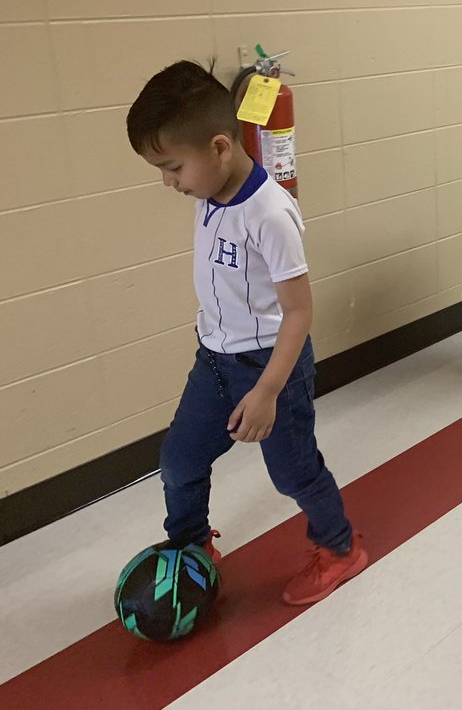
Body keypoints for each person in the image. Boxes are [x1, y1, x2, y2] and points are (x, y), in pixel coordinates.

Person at [126, 61, 366, 606]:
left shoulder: (272, 214)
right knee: (180, 462)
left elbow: (299, 313)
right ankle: (190, 550)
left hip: (269, 367)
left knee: (294, 472)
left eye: (172, 167)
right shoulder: (208, 193)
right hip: (213, 359)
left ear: (219, 148)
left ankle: (340, 548)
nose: (169, 182)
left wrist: (267, 392)